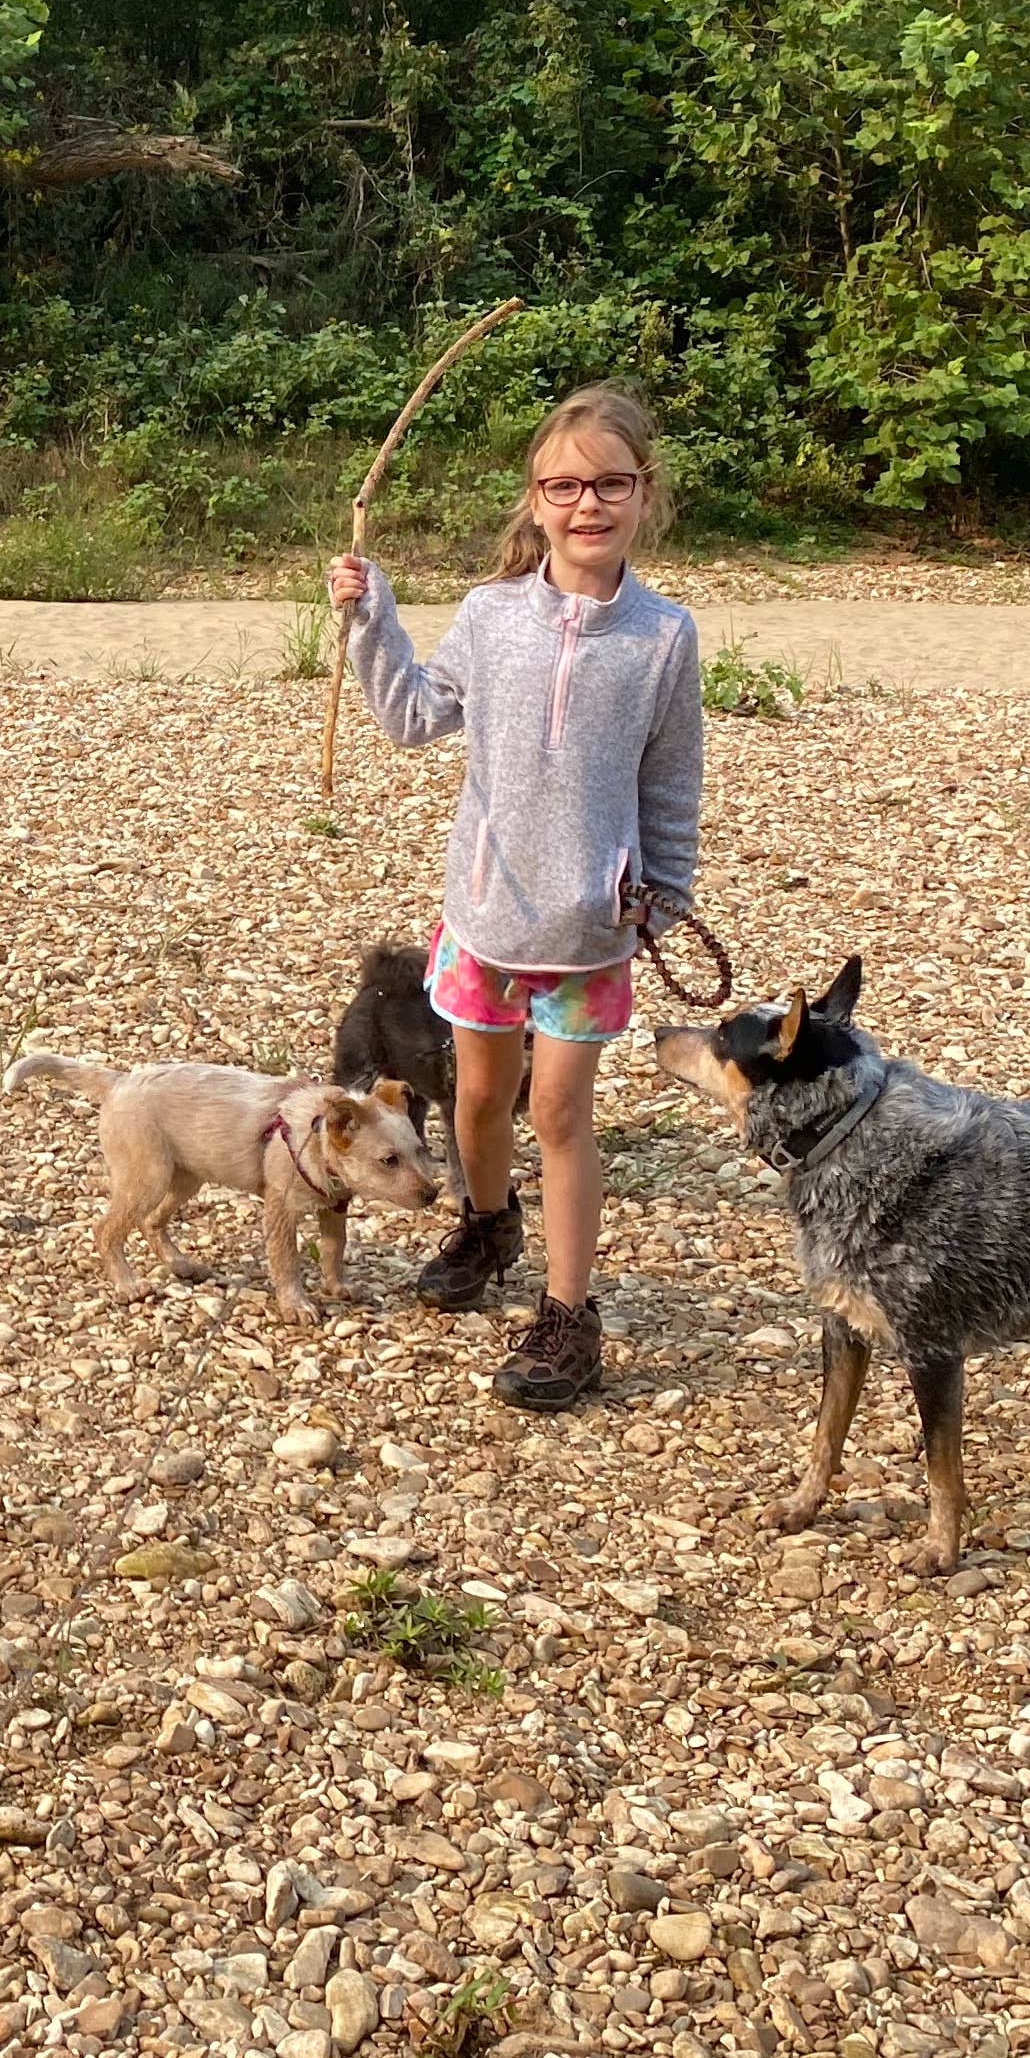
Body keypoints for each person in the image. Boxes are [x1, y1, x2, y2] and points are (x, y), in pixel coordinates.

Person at [329, 382, 702, 1409]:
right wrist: (372, 618)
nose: (588, 503)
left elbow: (671, 782)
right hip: (483, 918)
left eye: (609, 483)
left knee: (559, 1113)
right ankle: (489, 1225)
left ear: (643, 493)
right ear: (535, 500)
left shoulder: (665, 638)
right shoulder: (493, 616)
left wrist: (661, 900)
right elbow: (411, 718)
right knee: (481, 1098)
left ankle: (569, 1315)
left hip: (590, 930)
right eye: (564, 484)